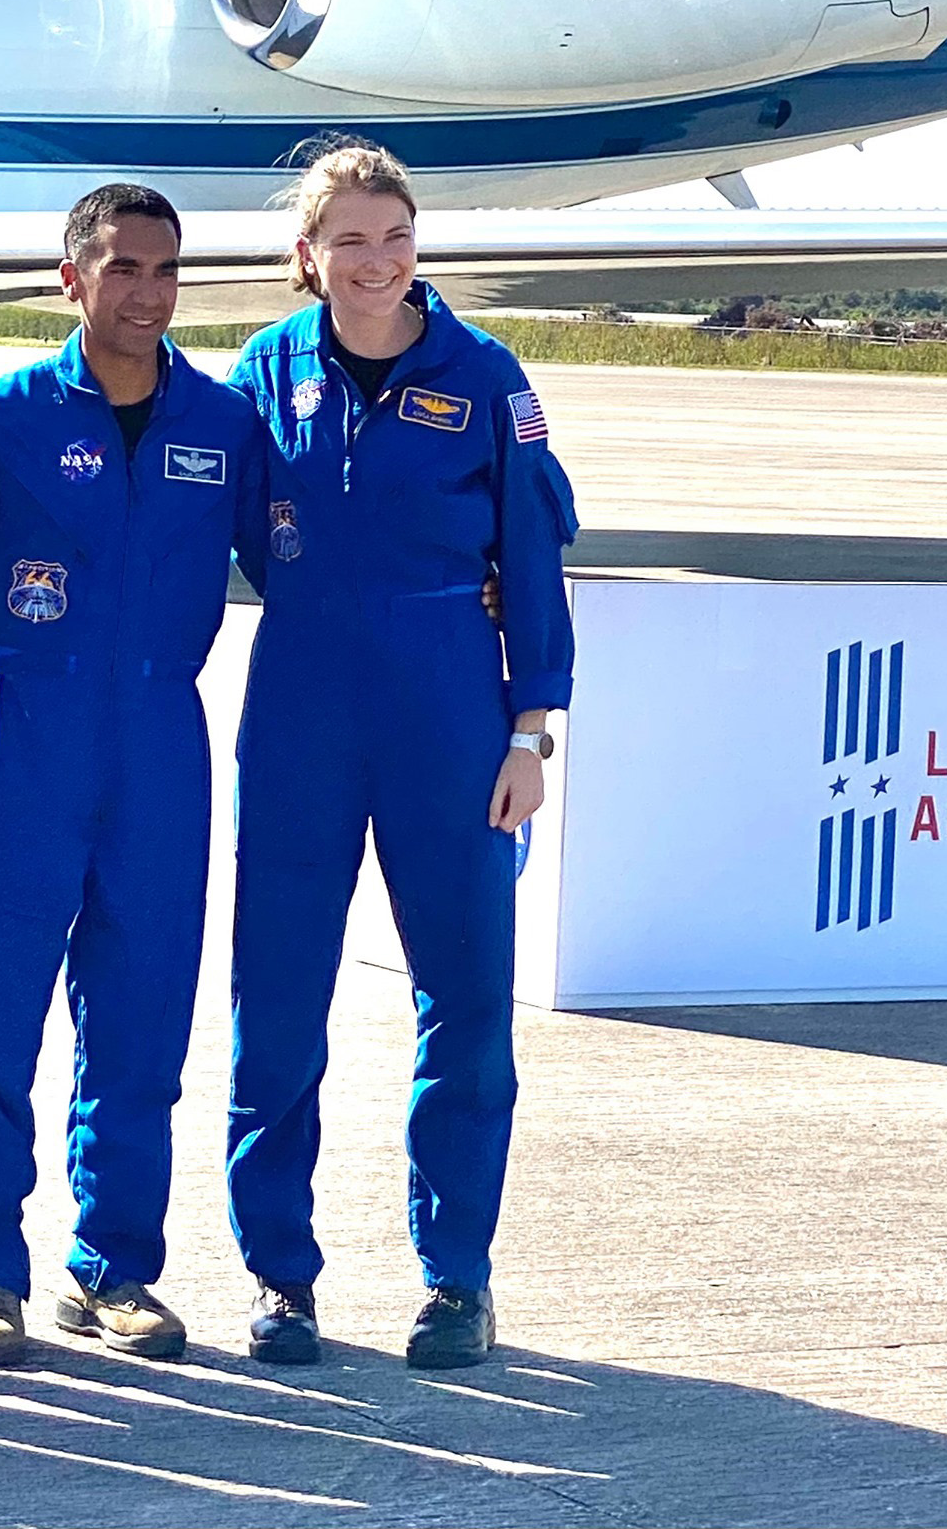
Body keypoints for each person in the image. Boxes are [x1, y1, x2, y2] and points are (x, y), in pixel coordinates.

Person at [223, 140, 578, 1371]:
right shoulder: (265, 368)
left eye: (394, 237)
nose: (374, 263)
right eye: (349, 240)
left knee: (466, 1007)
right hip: (300, 718)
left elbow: (536, 545)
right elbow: (229, 522)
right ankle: (278, 1274)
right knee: (274, 1005)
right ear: (304, 255)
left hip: (448, 720)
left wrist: (532, 727)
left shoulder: (483, 375)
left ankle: (457, 1277)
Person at [0, 183, 269, 1367]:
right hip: (21, 734)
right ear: (70, 278)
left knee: (141, 1013)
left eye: (164, 270)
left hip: (160, 743)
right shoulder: (0, 413)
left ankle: (112, 1265)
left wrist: (476, 582)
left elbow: (316, 553)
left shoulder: (220, 427)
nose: (146, 293)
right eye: (121, 267)